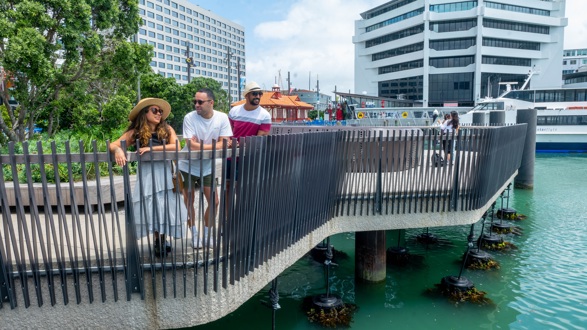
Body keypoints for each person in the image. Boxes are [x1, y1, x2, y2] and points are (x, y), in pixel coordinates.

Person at [110, 98, 186, 257]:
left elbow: (177, 146)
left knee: (164, 205)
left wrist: (154, 149)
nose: (159, 114)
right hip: (147, 174)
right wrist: (118, 151)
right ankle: (157, 239)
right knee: (151, 206)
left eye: (160, 111)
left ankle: (162, 238)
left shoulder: (166, 129)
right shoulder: (136, 132)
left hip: (164, 172)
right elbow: (114, 144)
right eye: (155, 110)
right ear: (145, 112)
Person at [178, 88, 232, 249]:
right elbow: (190, 145)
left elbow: (225, 142)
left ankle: (207, 234)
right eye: (195, 101)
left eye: (200, 102)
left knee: (214, 201)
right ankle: (194, 234)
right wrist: (215, 145)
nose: (196, 105)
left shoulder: (222, 117)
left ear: (211, 103)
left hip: (207, 166)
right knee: (189, 202)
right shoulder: (189, 117)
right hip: (186, 165)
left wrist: (202, 146)